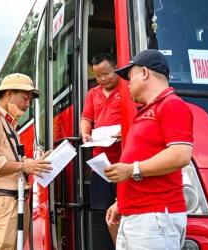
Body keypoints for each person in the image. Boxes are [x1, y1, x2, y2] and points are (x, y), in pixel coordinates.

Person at [104, 49, 193, 250]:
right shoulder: (149, 110)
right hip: (139, 216)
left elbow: (180, 155)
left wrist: (130, 170)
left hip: (154, 217)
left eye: (130, 77)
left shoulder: (172, 106)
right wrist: (123, 204)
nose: (127, 85)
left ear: (144, 72)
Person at [0, 73, 53, 250]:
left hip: (14, 202)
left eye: (30, 100)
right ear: (9, 94)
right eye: (25, 98)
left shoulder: (8, 124)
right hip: (2, 204)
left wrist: (35, 163)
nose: (28, 104)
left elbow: (13, 159)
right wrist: (24, 165)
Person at [80, 52, 121, 246]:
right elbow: (86, 118)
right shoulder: (92, 93)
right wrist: (85, 133)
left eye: (106, 73)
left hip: (123, 162)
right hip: (100, 164)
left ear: (116, 68)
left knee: (124, 209)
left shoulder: (128, 88)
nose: (102, 79)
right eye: (97, 75)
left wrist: (125, 131)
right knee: (103, 210)